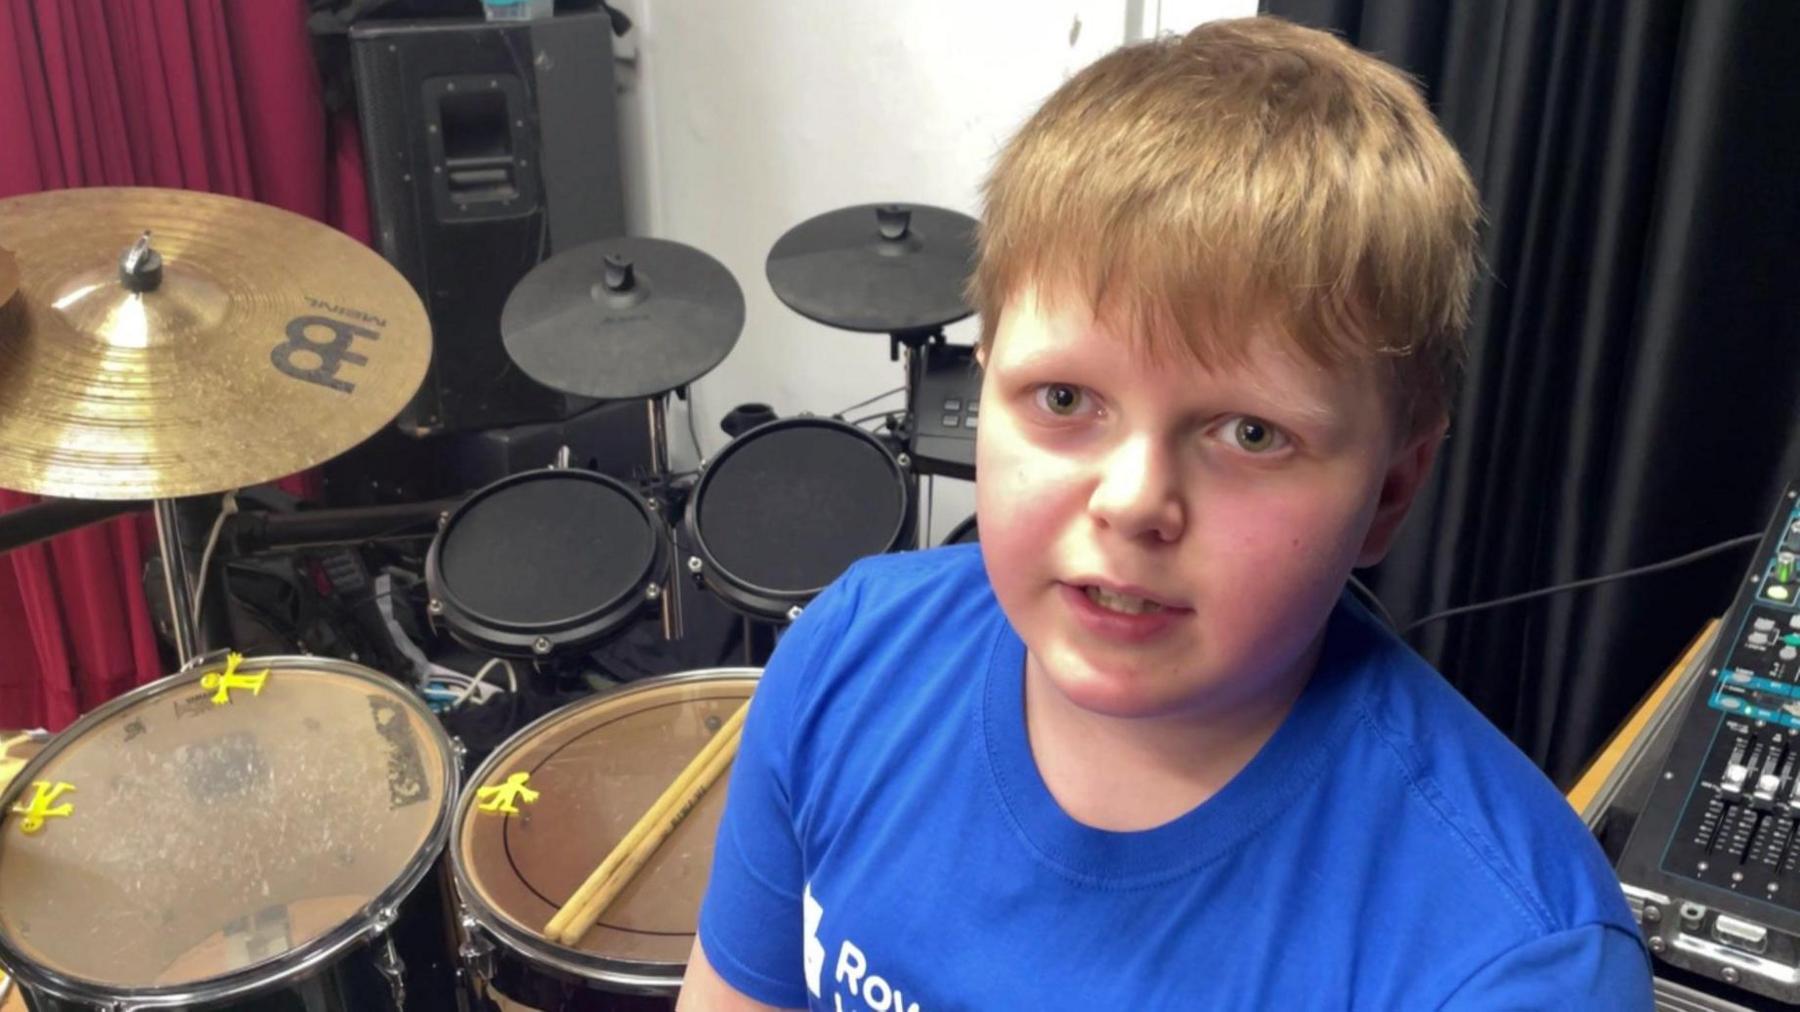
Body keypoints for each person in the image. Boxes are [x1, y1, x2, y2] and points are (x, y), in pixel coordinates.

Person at [680, 16, 1652, 1010]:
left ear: (1391, 491)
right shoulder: (848, 657)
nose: (1133, 499)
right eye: (1065, 400)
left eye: (1249, 433)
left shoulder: (1513, 966)